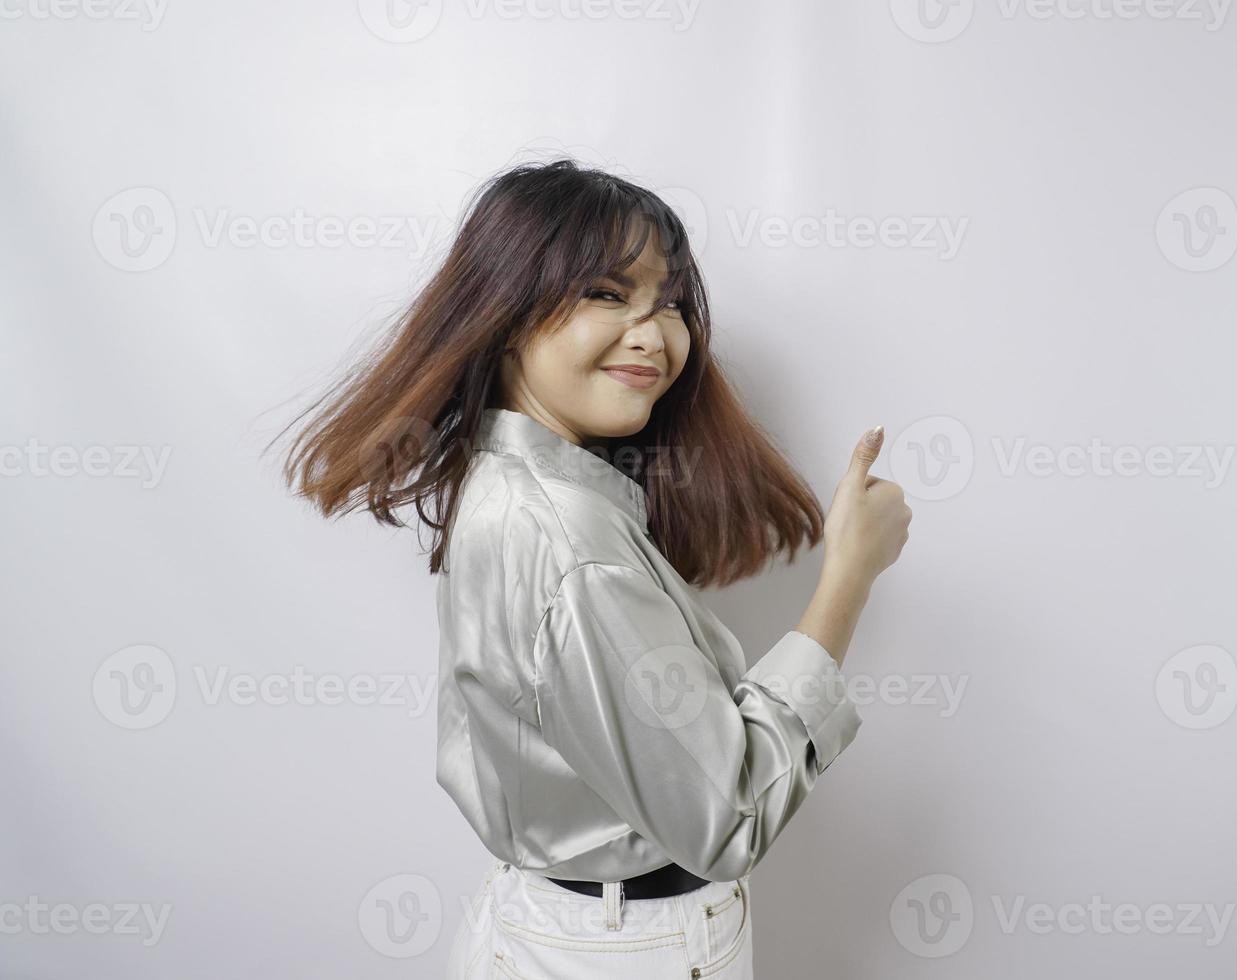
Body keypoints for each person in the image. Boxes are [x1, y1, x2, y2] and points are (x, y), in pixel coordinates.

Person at [278, 158, 911, 978]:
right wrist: (848, 579)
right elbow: (729, 817)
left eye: (672, 303)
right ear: (506, 314)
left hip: (570, 931)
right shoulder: (564, 535)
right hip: (620, 953)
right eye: (609, 294)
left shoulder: (526, 487)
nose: (655, 335)